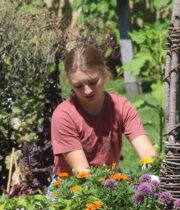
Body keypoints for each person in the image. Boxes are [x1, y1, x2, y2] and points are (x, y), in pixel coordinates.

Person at [51, 46, 156, 176]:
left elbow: (147, 152)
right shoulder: (64, 116)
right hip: (72, 188)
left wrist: (152, 176)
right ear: (70, 83)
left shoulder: (121, 106)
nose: (87, 91)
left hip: (111, 182)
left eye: (93, 82)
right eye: (78, 86)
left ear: (105, 74)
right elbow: (82, 173)